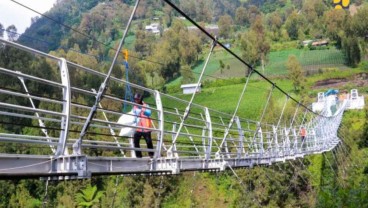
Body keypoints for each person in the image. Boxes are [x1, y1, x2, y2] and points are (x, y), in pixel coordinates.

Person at [132, 93, 154, 158]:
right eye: (135, 99)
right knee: (135, 141)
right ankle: (138, 156)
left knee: (148, 141)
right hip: (138, 127)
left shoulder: (146, 105)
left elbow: (149, 113)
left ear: (140, 99)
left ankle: (151, 155)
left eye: (137, 99)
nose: (136, 100)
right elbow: (134, 114)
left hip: (146, 127)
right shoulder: (135, 106)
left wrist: (142, 110)